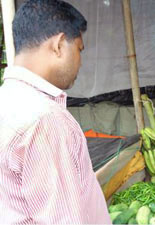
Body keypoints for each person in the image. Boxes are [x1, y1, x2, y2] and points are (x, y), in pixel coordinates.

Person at [0, 0, 111, 223]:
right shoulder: (44, 119)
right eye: (79, 49)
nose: (80, 62)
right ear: (59, 45)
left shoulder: (6, 99)